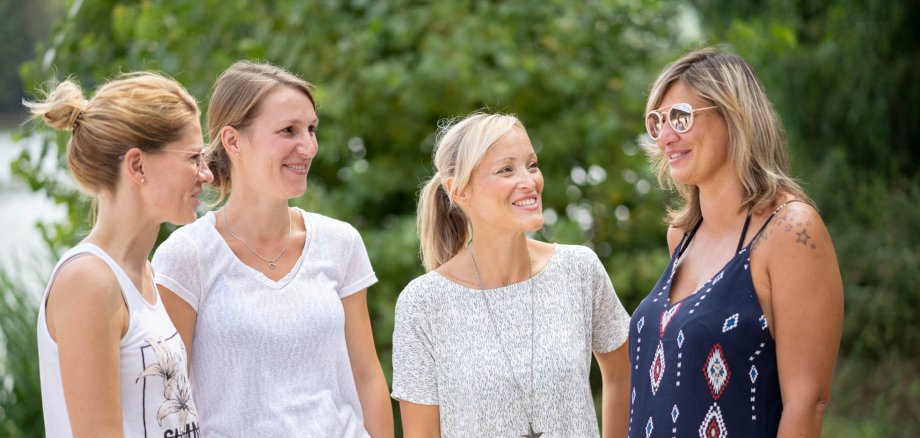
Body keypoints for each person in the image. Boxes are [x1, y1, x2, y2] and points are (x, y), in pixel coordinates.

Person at [151, 61, 393, 437]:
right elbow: (169, 401)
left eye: (311, 129)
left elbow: (367, 378)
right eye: (288, 131)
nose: (308, 147)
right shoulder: (186, 257)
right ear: (232, 141)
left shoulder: (340, 243)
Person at [628, 47, 844, 437]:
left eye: (679, 117)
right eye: (656, 121)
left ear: (734, 116)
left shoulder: (790, 230)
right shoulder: (681, 237)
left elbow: (807, 403)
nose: (664, 137)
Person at [391, 112, 632, 437]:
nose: (530, 181)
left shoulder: (579, 270)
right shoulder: (423, 303)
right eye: (506, 169)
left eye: (532, 165)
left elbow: (624, 374)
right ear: (459, 190)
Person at [29, 72, 210, 437]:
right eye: (193, 158)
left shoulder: (144, 274)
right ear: (137, 166)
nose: (206, 174)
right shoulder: (89, 282)